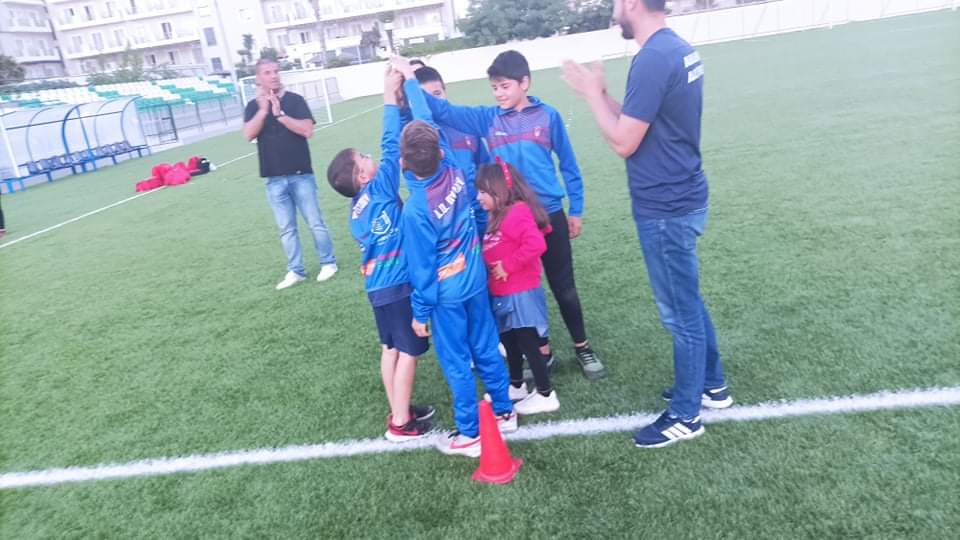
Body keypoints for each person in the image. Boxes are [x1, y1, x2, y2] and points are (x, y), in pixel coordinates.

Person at [561, 0, 732, 449]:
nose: (614, 8)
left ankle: (686, 416)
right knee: (687, 298)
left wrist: (592, 95)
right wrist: (600, 95)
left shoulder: (654, 57)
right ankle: (712, 384)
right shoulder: (674, 48)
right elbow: (640, 117)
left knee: (679, 312)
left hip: (666, 206)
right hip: (683, 194)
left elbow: (623, 141)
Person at [416, 50, 607, 381]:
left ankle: (583, 347)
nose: (499, 94)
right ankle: (543, 350)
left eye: (504, 86)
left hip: (549, 215)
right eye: (494, 88)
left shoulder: (548, 116)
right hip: (510, 222)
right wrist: (409, 80)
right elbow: (444, 110)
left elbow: (569, 165)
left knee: (563, 286)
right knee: (524, 290)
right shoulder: (488, 119)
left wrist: (575, 209)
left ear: (524, 83)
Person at [391, 57, 517, 458]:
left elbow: (422, 270)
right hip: (475, 280)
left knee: (457, 361)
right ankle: (504, 410)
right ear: (438, 148)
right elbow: (427, 117)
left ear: (403, 163)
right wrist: (411, 79)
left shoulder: (415, 211)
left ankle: (469, 432)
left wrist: (419, 313)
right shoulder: (454, 168)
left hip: (446, 295)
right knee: (486, 346)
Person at [325, 67, 434, 442]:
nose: (372, 157)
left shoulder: (356, 208)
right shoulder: (382, 188)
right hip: (399, 287)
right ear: (363, 176)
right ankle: (401, 423)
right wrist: (389, 94)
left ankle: (399, 409)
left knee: (390, 349)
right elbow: (391, 146)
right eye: (364, 158)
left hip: (377, 289)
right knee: (409, 352)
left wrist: (400, 106)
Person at [243, 58, 337, 290]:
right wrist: (264, 111)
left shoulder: (295, 101)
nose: (274, 75)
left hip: (300, 174)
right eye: (267, 72)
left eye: (276, 71)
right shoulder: (253, 106)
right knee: (286, 228)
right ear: (258, 78)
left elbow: (307, 130)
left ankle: (328, 262)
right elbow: (248, 134)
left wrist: (280, 115)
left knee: (315, 222)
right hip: (273, 178)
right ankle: (296, 270)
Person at [477, 158, 559, 415]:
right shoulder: (496, 215)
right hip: (502, 292)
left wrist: (507, 266)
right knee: (509, 341)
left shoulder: (517, 212)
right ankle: (516, 385)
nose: (478, 197)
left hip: (520, 291)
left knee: (527, 342)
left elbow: (536, 244)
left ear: (499, 191)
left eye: (482, 192)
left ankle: (546, 393)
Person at [412, 64, 491, 236]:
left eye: (437, 94)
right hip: (448, 225)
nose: (433, 102)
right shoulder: (417, 139)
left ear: (445, 90)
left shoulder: (465, 125)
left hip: (481, 214)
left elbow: (485, 167)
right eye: (426, 98)